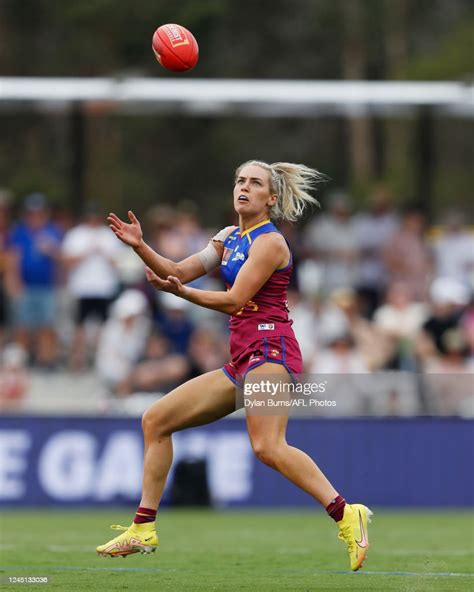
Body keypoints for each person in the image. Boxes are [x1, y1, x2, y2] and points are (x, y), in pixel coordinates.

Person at [96, 160, 373, 571]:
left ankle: (347, 513)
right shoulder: (228, 237)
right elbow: (175, 271)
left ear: (271, 198)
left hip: (271, 352)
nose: (244, 187)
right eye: (240, 180)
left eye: (255, 183)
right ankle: (144, 528)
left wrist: (182, 294)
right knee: (156, 421)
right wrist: (140, 246)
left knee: (267, 446)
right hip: (243, 358)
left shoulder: (271, 244)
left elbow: (233, 300)